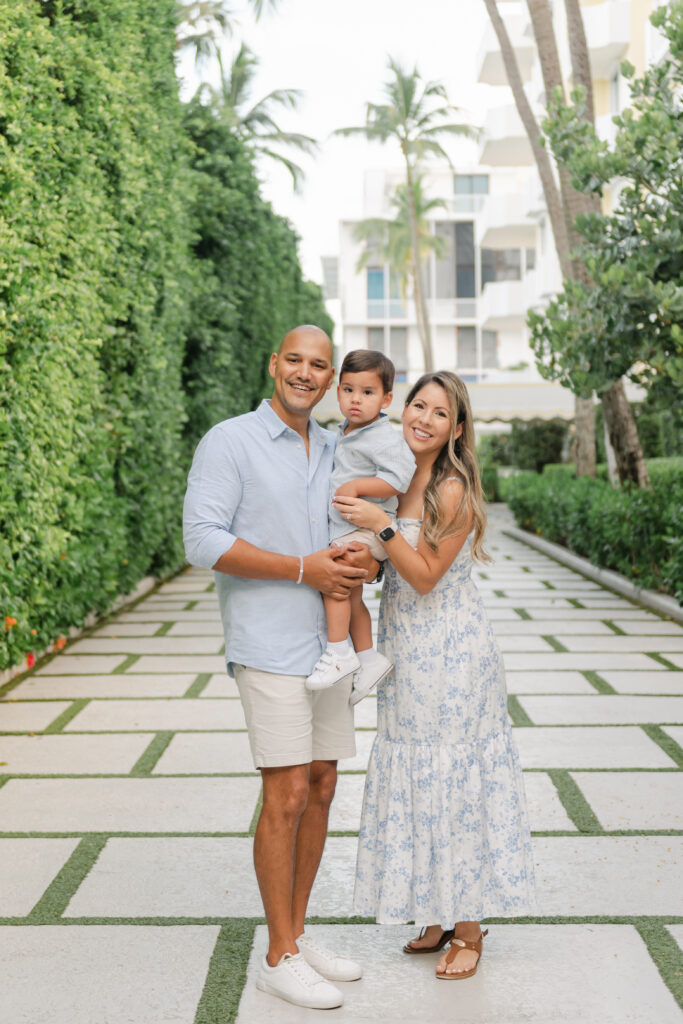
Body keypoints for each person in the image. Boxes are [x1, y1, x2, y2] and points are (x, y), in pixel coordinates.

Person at [183, 325, 380, 1010]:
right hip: (267, 645)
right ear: (273, 365)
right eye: (294, 360)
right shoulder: (228, 441)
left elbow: (356, 528)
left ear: (330, 379)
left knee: (323, 785)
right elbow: (201, 540)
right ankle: (276, 956)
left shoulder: (333, 447)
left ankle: (293, 934)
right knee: (288, 791)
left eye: (318, 365)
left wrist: (364, 558)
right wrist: (304, 570)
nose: (305, 373)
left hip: (327, 650)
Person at [333, 371, 536, 981]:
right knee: (416, 773)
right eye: (417, 405)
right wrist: (364, 553)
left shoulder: (451, 489)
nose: (422, 418)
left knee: (454, 779)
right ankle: (440, 913)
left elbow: (424, 575)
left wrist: (381, 525)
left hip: (452, 653)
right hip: (406, 649)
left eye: (439, 412)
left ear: (458, 428)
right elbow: (391, 568)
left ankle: (470, 927)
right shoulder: (397, 477)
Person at [306, 349, 415, 704]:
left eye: (367, 393)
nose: (356, 399)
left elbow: (399, 479)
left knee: (335, 582)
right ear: (337, 391)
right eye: (348, 390)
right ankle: (368, 659)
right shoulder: (346, 433)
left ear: (386, 398)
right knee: (350, 594)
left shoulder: (382, 436)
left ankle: (339, 652)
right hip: (349, 528)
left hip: (369, 529)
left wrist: (359, 487)